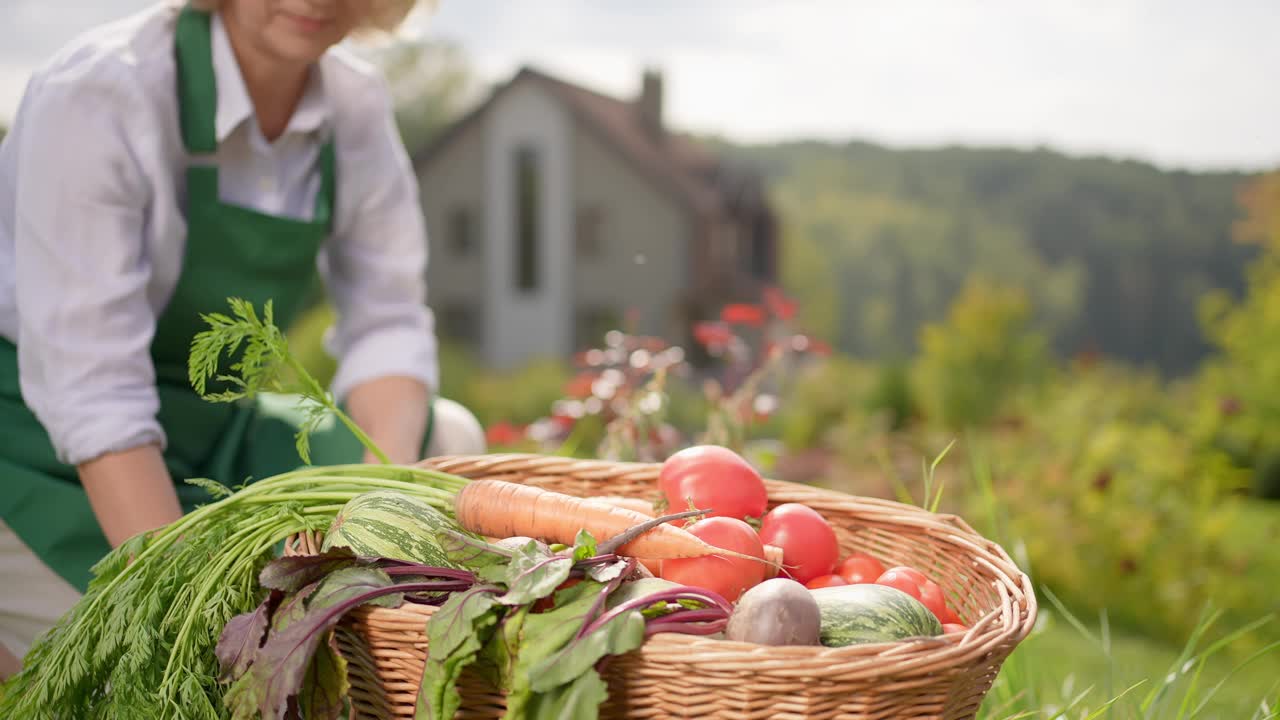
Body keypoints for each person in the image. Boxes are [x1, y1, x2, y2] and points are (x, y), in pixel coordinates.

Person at [0, 0, 486, 671]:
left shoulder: (354, 102)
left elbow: (388, 320)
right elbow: (92, 391)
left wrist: (382, 519)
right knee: (131, 669)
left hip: (212, 430)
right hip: (37, 443)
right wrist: (172, 606)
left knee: (445, 441)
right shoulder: (101, 93)